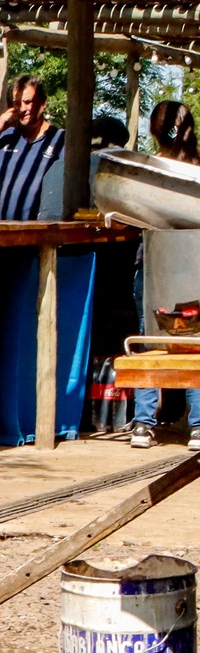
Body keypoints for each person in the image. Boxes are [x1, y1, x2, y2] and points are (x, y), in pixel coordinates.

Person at [131, 100, 200, 446]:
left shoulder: (148, 170)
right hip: (194, 266)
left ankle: (143, 422)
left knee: (149, 340)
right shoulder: (197, 171)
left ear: (153, 131)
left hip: (153, 262)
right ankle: (199, 423)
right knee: (196, 342)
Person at [0, 75, 64, 222]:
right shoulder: (6, 136)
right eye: (17, 103)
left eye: (28, 102)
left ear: (43, 103)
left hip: (39, 234)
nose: (22, 109)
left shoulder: (60, 140)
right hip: (0, 232)